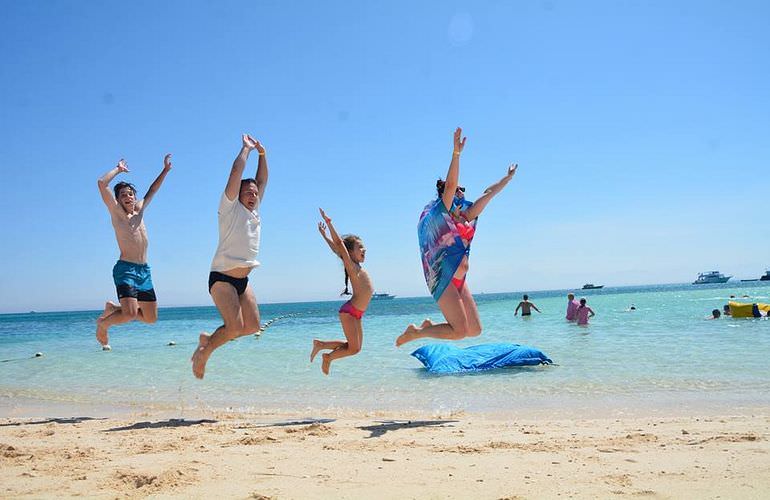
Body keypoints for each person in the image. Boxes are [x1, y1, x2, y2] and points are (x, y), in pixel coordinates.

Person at [397, 127, 517, 346]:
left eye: (463, 189)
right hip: (443, 277)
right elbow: (451, 184)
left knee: (475, 330)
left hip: (460, 279)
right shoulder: (438, 214)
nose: (462, 192)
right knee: (459, 331)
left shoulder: (465, 216)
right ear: (447, 194)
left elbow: (489, 194)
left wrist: (507, 178)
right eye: (459, 190)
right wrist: (456, 154)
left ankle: (426, 328)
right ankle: (416, 333)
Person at [191, 134, 268, 379]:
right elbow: (236, 172)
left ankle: (208, 338)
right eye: (248, 192)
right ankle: (205, 351)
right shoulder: (229, 209)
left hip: (243, 281)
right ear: (238, 194)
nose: (253, 195)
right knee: (234, 328)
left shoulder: (255, 211)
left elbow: (263, 180)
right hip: (222, 278)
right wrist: (246, 149)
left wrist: (263, 155)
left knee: (253, 326)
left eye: (255, 193)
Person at [95, 155, 172, 349]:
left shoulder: (139, 209)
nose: (128, 197)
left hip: (144, 271)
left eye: (130, 194)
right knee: (129, 314)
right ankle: (103, 325)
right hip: (126, 270)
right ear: (118, 200)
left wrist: (165, 170)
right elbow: (102, 183)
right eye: (123, 195)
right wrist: (118, 169)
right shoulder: (117, 213)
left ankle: (113, 308)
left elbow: (153, 190)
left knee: (150, 318)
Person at [310, 209, 373, 375]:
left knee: (356, 348)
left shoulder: (357, 267)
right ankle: (328, 357)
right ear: (350, 252)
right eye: (360, 247)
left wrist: (324, 236)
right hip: (350, 312)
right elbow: (339, 245)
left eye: (364, 247)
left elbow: (336, 249)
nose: (364, 249)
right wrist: (329, 223)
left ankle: (321, 345)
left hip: (357, 313)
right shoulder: (352, 267)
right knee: (352, 348)